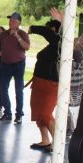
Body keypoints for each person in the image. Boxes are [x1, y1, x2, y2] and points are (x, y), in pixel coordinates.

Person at [28, 13, 62, 152]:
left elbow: (48, 33)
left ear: (54, 29)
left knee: (45, 113)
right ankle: (45, 140)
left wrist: (33, 28)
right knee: (37, 112)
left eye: (50, 29)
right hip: (39, 82)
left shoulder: (60, 43)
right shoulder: (52, 46)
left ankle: (57, 142)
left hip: (51, 84)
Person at [0, 12, 30, 123]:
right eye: (10, 20)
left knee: (19, 90)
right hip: (5, 64)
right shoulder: (4, 34)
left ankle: (19, 114)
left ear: (19, 22)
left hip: (18, 64)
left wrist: (17, 36)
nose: (11, 22)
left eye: (14, 21)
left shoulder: (23, 34)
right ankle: (7, 113)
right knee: (2, 89)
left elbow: (27, 47)